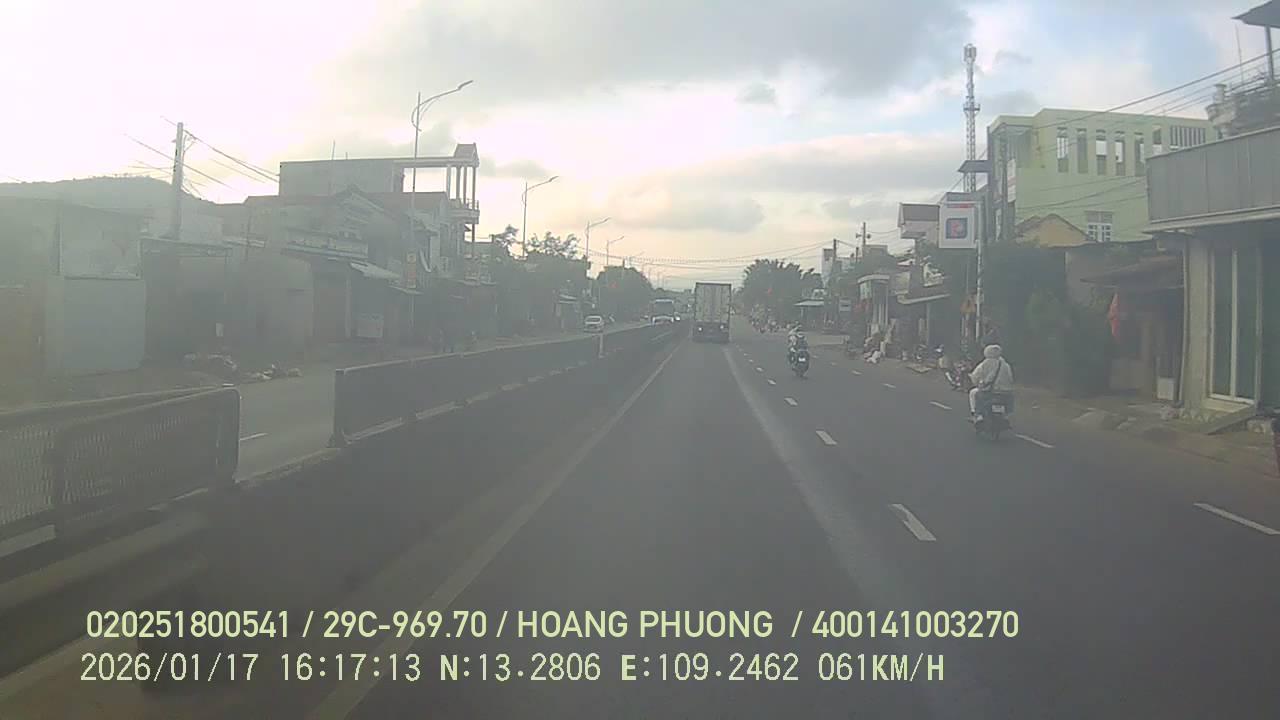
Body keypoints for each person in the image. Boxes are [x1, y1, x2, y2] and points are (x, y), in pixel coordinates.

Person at [969, 344, 1014, 419]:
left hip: (989, 392)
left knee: (974, 393)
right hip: (1006, 393)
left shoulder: (984, 364)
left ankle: (977, 415)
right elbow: (1011, 378)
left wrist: (978, 383)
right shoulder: (1006, 365)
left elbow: (975, 376)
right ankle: (1006, 415)